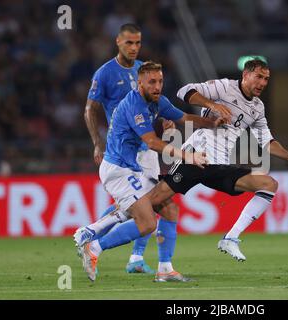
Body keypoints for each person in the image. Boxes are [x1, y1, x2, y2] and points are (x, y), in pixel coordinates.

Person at [80, 59, 288, 268]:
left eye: (266, 78)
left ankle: (230, 238)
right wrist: (212, 105)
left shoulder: (257, 108)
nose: (263, 82)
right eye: (259, 76)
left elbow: (266, 141)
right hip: (196, 155)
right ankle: (95, 233)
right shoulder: (224, 87)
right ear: (246, 75)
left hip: (219, 164)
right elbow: (185, 91)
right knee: (150, 206)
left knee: (268, 184)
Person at [79, 61, 226, 282]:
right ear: (139, 83)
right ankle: (94, 246)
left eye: (160, 81)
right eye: (152, 82)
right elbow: (151, 142)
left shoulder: (159, 101)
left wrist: (212, 123)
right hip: (117, 169)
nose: (157, 86)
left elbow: (184, 118)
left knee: (168, 209)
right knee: (147, 222)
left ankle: (165, 269)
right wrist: (188, 156)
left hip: (132, 168)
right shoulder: (133, 104)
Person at [76, 23, 179, 274]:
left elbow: (151, 107)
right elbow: (90, 108)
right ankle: (94, 236)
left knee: (151, 202)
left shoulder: (144, 71)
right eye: (129, 43)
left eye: (138, 43)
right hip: (123, 149)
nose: (134, 48)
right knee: (151, 204)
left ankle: (132, 255)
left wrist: (165, 119)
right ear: (118, 43)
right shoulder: (105, 73)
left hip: (147, 146)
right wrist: (97, 142)